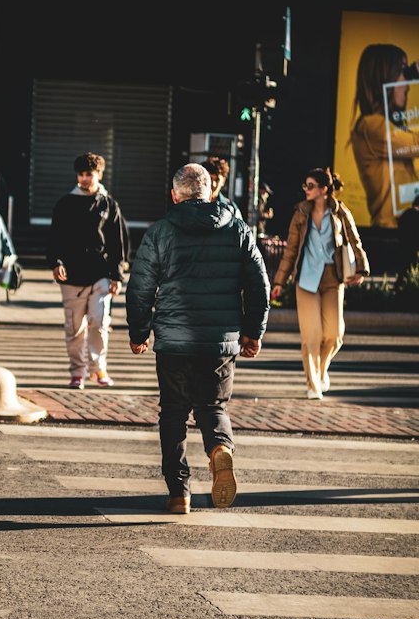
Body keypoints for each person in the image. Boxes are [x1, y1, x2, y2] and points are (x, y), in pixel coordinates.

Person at [127, 161, 269, 514]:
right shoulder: (236, 228)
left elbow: (140, 287)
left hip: (174, 340)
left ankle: (179, 493)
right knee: (213, 406)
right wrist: (253, 332)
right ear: (209, 192)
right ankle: (220, 450)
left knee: (173, 413)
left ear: (175, 194)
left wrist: (139, 331)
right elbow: (258, 284)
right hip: (220, 340)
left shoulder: (160, 231)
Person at [271, 166, 369, 400]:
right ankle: (313, 383)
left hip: (332, 277)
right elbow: (291, 250)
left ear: (324, 189)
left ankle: (322, 369)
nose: (306, 190)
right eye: (306, 185)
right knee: (311, 335)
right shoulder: (300, 214)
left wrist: (362, 268)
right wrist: (279, 282)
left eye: (311, 186)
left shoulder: (340, 212)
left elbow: (355, 240)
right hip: (306, 278)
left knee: (334, 335)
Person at [47, 151, 130, 388]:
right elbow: (55, 237)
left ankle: (98, 369)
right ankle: (77, 372)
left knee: (99, 321)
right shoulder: (65, 204)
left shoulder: (109, 204)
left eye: (89, 174)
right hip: (72, 275)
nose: (84, 179)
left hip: (100, 274)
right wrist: (55, 263)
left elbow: (117, 242)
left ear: (99, 174)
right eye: (81, 174)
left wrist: (117, 276)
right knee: (74, 328)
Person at [349, 43, 419, 228]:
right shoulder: (371, 127)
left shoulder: (388, 129)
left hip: (405, 233)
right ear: (383, 78)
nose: (408, 85)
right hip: (390, 237)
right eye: (402, 71)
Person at [204, 156, 244, 220]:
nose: (213, 184)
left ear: (223, 181)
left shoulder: (231, 208)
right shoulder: (192, 204)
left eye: (217, 180)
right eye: (210, 179)